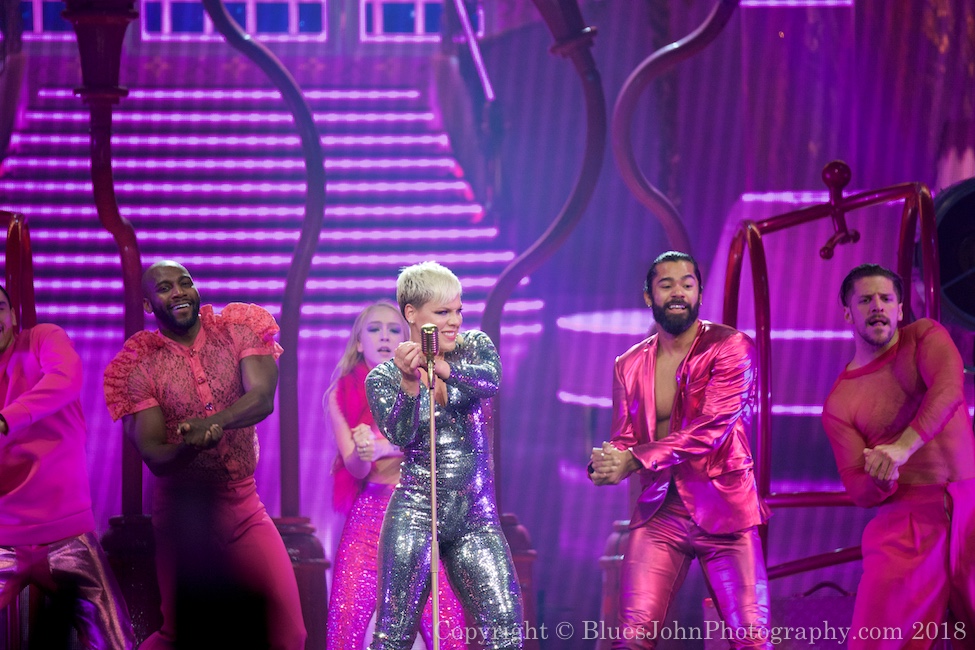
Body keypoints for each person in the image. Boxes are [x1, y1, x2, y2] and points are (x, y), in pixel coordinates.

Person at [103, 260, 306, 650]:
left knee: (289, 633)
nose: (178, 291)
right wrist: (190, 445)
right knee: (179, 636)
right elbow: (153, 455)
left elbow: (262, 399)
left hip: (245, 506)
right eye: (164, 288)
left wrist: (212, 423)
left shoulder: (237, 329)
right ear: (148, 306)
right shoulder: (139, 363)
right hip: (184, 516)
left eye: (185, 283)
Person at [589, 251, 772, 650]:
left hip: (726, 510)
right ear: (648, 295)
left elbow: (712, 429)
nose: (677, 293)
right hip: (660, 511)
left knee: (753, 641)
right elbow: (626, 436)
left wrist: (633, 459)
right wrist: (606, 464)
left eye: (687, 284)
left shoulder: (731, 346)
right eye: (666, 284)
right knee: (631, 640)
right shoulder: (629, 363)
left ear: (700, 293)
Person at [365, 261, 523, 650]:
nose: (455, 320)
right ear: (412, 314)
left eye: (458, 309)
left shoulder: (474, 347)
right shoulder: (383, 377)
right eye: (442, 312)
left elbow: (491, 380)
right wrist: (408, 381)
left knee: (505, 634)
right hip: (417, 511)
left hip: (475, 516)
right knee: (393, 635)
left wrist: (441, 367)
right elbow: (400, 432)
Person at [822, 263, 975, 650]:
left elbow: (949, 391)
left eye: (886, 299)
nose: (877, 307)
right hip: (907, 522)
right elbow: (858, 489)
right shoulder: (840, 403)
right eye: (866, 300)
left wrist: (902, 447)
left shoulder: (925, 336)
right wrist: (881, 478)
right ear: (848, 313)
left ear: (901, 308)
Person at [325, 300, 468, 649]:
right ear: (359, 342)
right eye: (374, 329)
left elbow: (441, 444)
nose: (385, 337)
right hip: (369, 515)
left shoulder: (430, 381)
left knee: (445, 623)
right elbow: (356, 468)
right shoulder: (338, 394)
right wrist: (362, 452)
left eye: (393, 330)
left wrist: (384, 445)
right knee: (348, 622)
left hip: (424, 512)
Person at [0, 286, 135, 649]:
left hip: (68, 534)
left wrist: (5, 420)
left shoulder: (44, 337)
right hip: (2, 537)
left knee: (117, 641)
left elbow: (65, 380)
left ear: (12, 314)